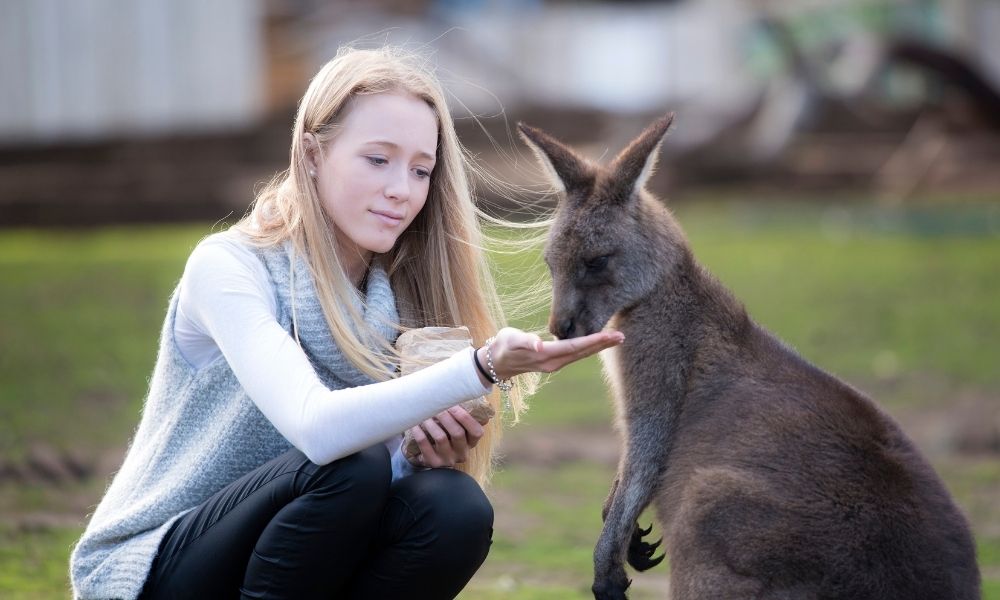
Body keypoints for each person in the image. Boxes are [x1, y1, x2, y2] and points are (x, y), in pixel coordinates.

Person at [69, 46, 623, 600]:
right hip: (157, 567)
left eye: (421, 169)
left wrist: (414, 458)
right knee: (348, 466)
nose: (401, 190)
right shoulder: (228, 267)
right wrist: (478, 368)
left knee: (453, 508)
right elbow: (318, 429)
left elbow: (344, 501)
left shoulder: (403, 300)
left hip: (284, 559)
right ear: (311, 154)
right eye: (377, 159)